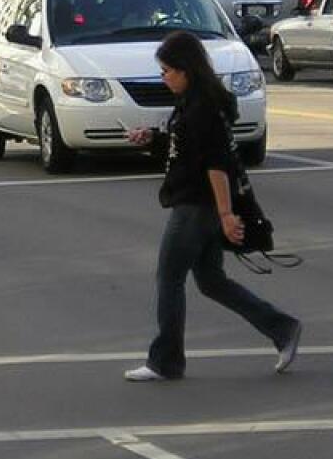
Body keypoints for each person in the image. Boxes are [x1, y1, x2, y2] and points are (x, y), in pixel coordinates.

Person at [124, 30, 301, 382]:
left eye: (167, 71)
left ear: (186, 69)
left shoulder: (202, 107)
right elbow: (188, 151)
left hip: (196, 206)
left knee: (169, 277)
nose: (164, 77)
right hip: (198, 203)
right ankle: (282, 328)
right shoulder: (194, 101)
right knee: (210, 281)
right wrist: (153, 138)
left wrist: (225, 214)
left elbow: (215, 164)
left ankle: (166, 360)